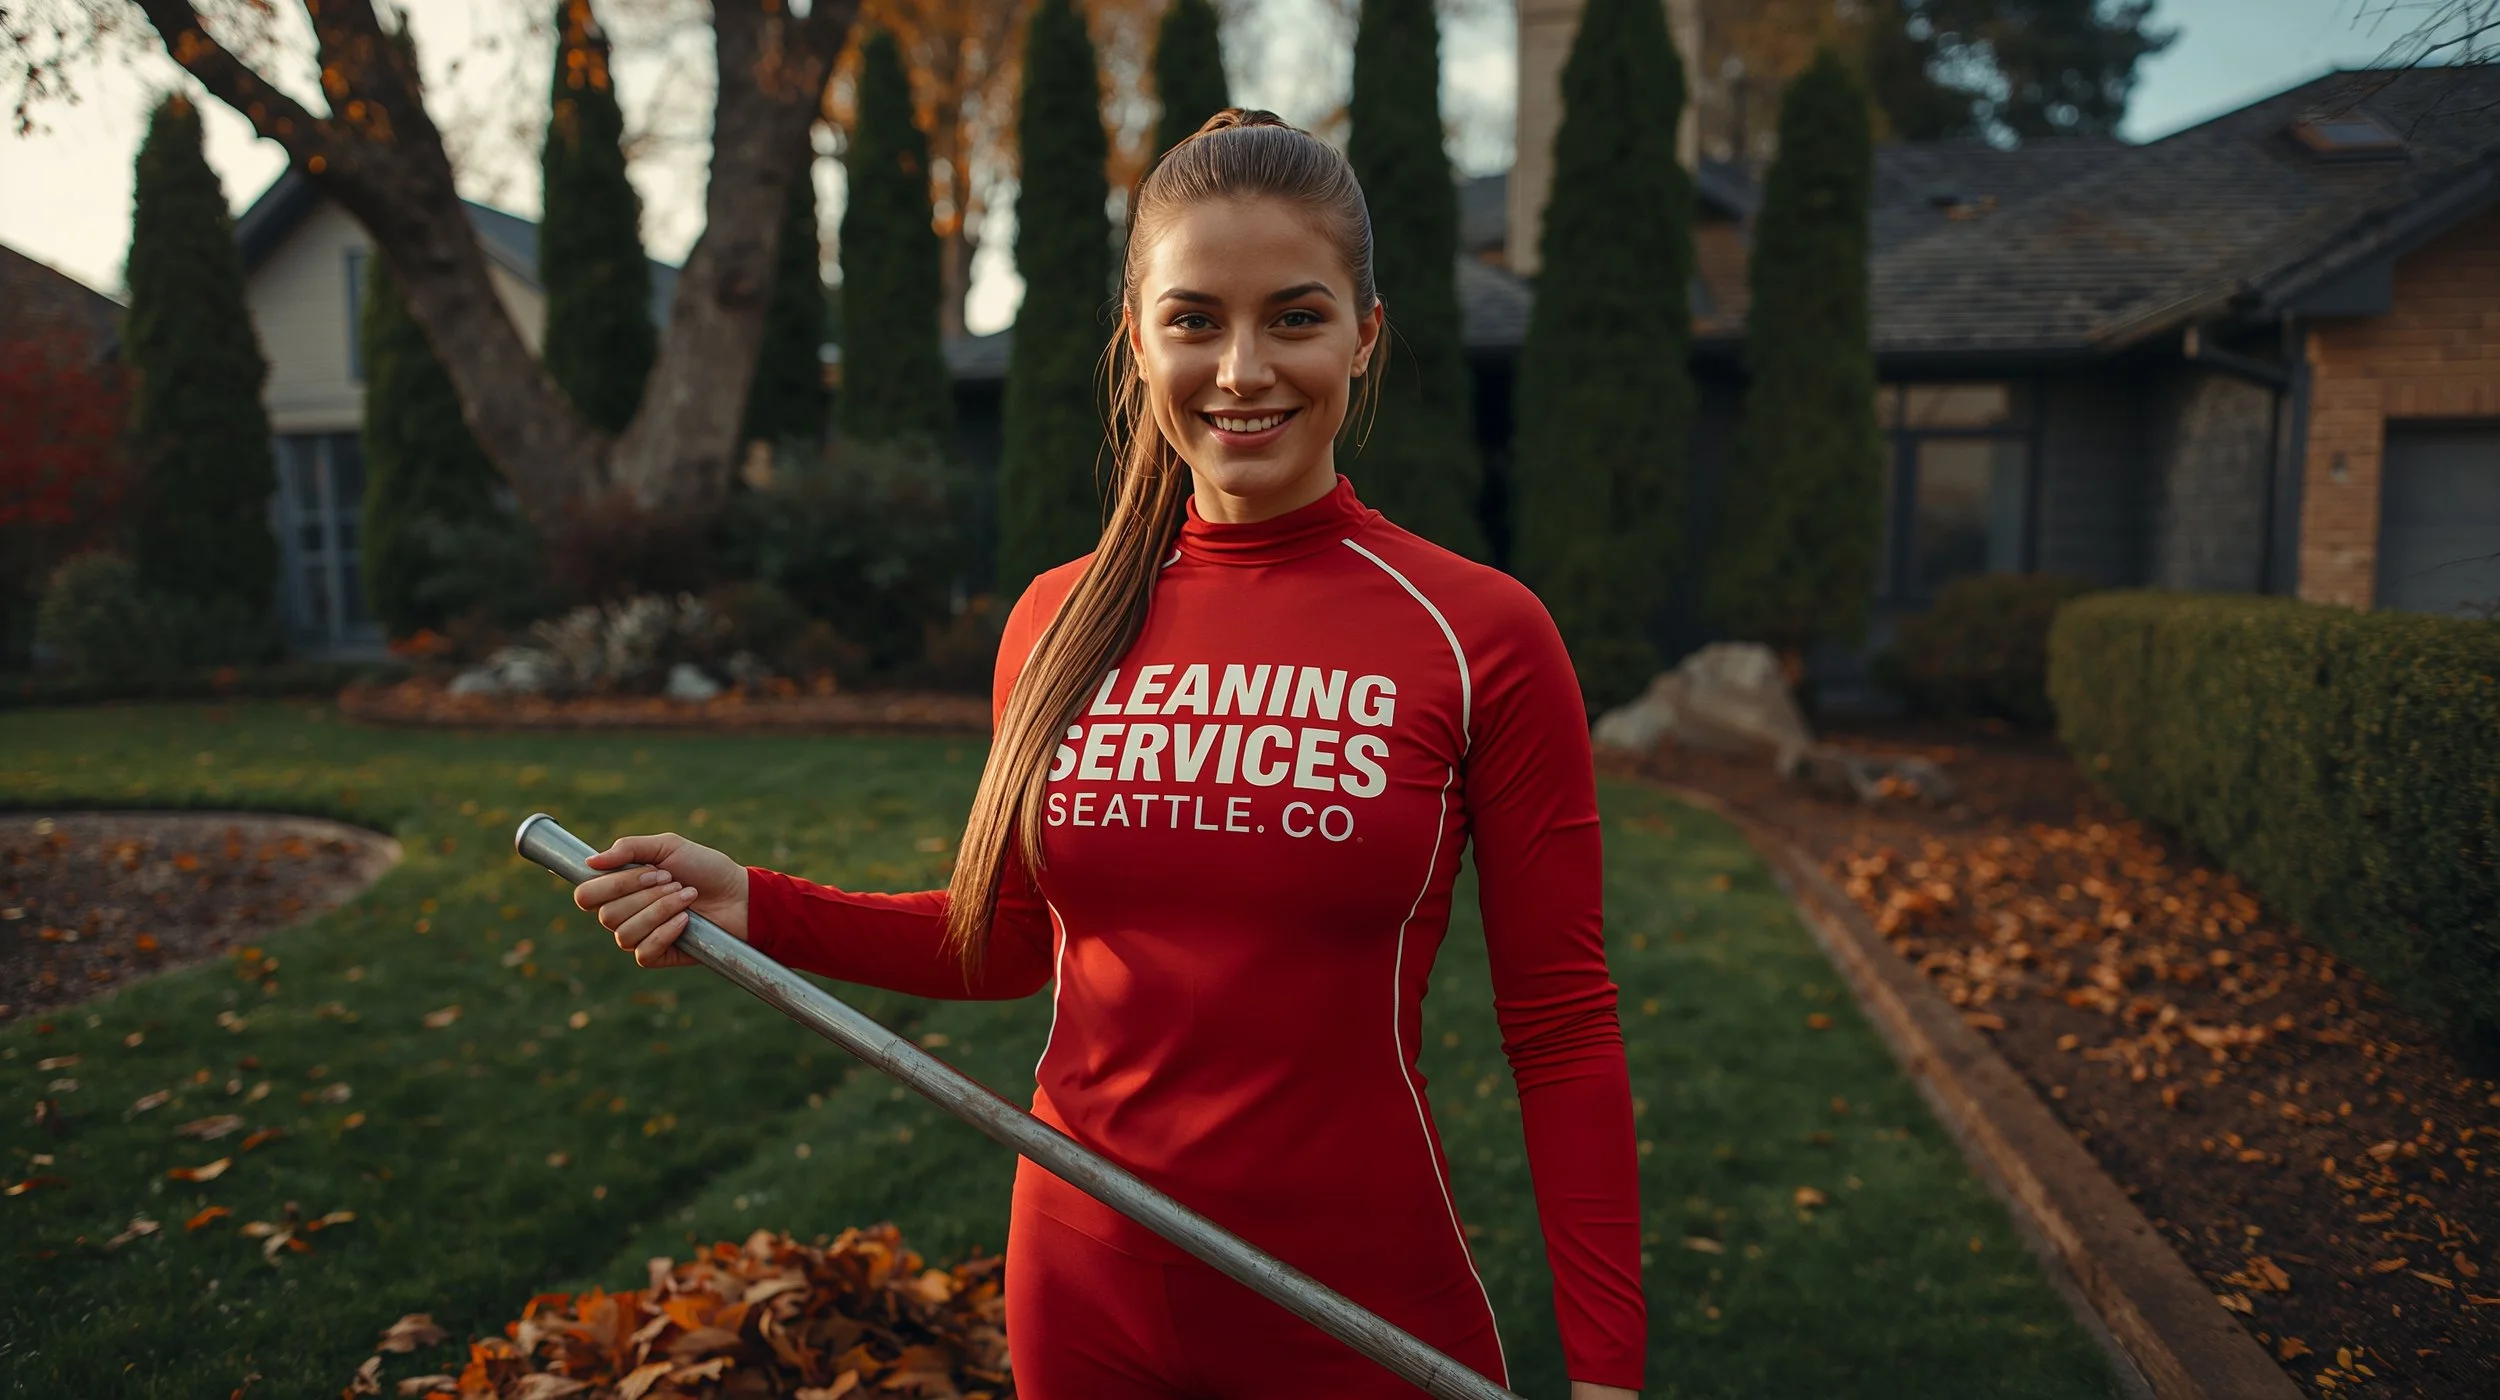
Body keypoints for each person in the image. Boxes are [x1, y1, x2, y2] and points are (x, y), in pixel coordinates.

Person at [569, 110, 1645, 1399]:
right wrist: (760, 906)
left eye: (1294, 318)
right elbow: (1012, 940)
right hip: (1084, 1285)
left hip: (1354, 1301)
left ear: (1365, 334)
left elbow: (1562, 1028)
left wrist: (1607, 1374)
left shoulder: (1479, 634)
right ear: (1138, 341)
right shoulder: (1060, 619)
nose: (1242, 369)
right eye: (1194, 320)